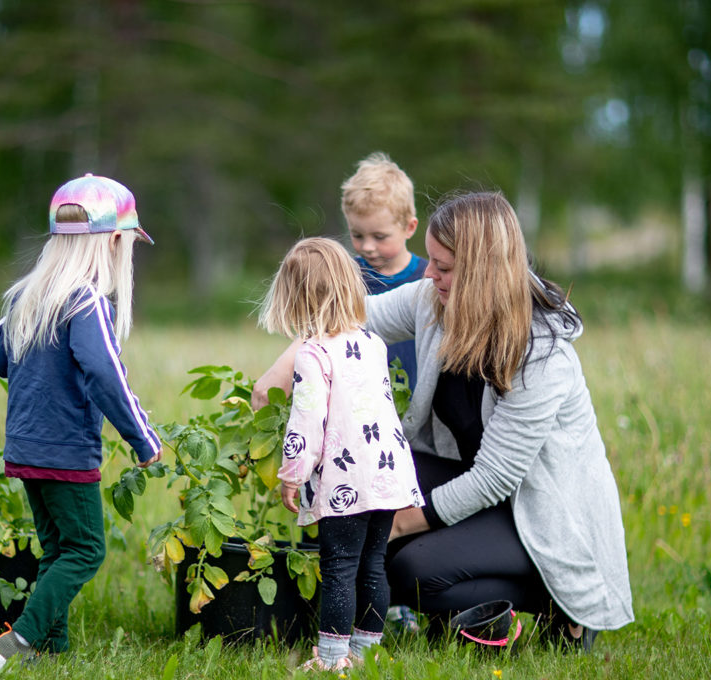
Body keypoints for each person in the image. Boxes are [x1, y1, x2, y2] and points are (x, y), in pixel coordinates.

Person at [253, 191, 633, 651]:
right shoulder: (434, 300)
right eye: (431, 261)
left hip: (540, 512)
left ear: (483, 272)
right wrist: (284, 365)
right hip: (477, 488)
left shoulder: (542, 355)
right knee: (354, 483)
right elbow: (349, 318)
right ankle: (458, 602)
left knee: (408, 568)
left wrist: (401, 521)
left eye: (444, 267)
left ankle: (561, 606)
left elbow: (495, 478)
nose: (428, 273)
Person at [0, 174, 162, 669]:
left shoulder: (25, 297)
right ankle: (16, 644)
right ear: (116, 242)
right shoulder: (87, 302)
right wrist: (142, 438)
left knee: (57, 547)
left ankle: (50, 649)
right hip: (66, 451)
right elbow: (107, 374)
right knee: (85, 550)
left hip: (23, 447)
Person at [258, 237, 424, 671]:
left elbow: (306, 422)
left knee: (339, 567)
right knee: (373, 563)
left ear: (293, 301)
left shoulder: (312, 353)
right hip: (387, 472)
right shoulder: (371, 342)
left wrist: (292, 474)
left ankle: (332, 659)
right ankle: (366, 651)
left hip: (347, 481)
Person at [340, 152, 427, 390]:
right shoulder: (345, 277)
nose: (367, 246)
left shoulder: (430, 278)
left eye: (379, 237)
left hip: (417, 402)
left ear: (409, 227)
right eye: (357, 235)